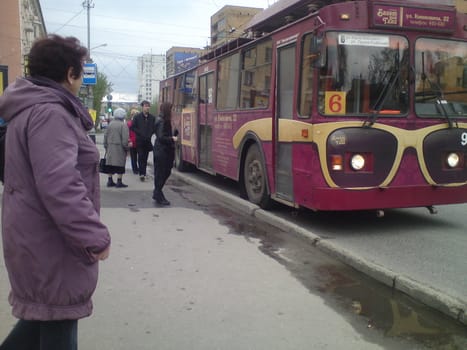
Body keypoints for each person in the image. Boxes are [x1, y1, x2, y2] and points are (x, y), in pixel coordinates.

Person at [0, 34, 111, 350]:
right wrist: (94, 236)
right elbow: (59, 184)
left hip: (36, 237)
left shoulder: (29, 107)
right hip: (51, 242)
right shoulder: (51, 113)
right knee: (58, 322)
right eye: (79, 71)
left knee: (40, 321)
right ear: (70, 74)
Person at [153, 101, 178, 205]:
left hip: (163, 151)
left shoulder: (162, 119)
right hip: (162, 152)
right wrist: (172, 138)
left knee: (163, 172)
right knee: (162, 173)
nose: (173, 111)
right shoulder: (162, 121)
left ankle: (157, 193)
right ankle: (158, 194)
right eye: (171, 109)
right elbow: (161, 137)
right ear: (168, 110)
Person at [104, 107, 130, 188]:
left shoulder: (110, 124)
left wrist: (106, 146)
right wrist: (127, 148)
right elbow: (125, 139)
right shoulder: (123, 125)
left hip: (110, 147)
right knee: (120, 165)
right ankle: (119, 181)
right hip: (119, 148)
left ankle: (110, 180)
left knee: (110, 164)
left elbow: (105, 136)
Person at [130, 100, 155, 181]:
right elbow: (132, 127)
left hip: (147, 141)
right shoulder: (137, 117)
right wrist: (140, 133)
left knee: (145, 157)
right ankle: (142, 174)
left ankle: (143, 172)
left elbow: (154, 127)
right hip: (140, 141)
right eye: (145, 106)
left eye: (148, 106)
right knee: (140, 157)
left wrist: (151, 132)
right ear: (142, 107)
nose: (147, 108)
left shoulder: (152, 117)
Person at [127, 109, 139, 174]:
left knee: (134, 156)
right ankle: (135, 169)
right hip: (133, 141)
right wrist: (129, 140)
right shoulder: (129, 123)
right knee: (134, 156)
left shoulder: (129, 123)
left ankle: (135, 169)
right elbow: (127, 133)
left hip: (135, 141)